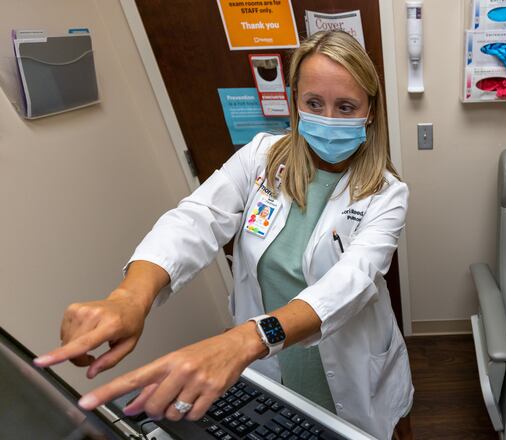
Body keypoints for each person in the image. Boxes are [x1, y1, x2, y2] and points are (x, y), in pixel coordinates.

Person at [35, 31, 414, 440]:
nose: (328, 119)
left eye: (346, 107)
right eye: (314, 104)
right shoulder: (261, 157)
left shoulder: (387, 193)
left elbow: (351, 282)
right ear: (295, 103)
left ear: (370, 112)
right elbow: (196, 219)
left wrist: (247, 339)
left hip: (347, 360)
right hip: (272, 362)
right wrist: (130, 296)